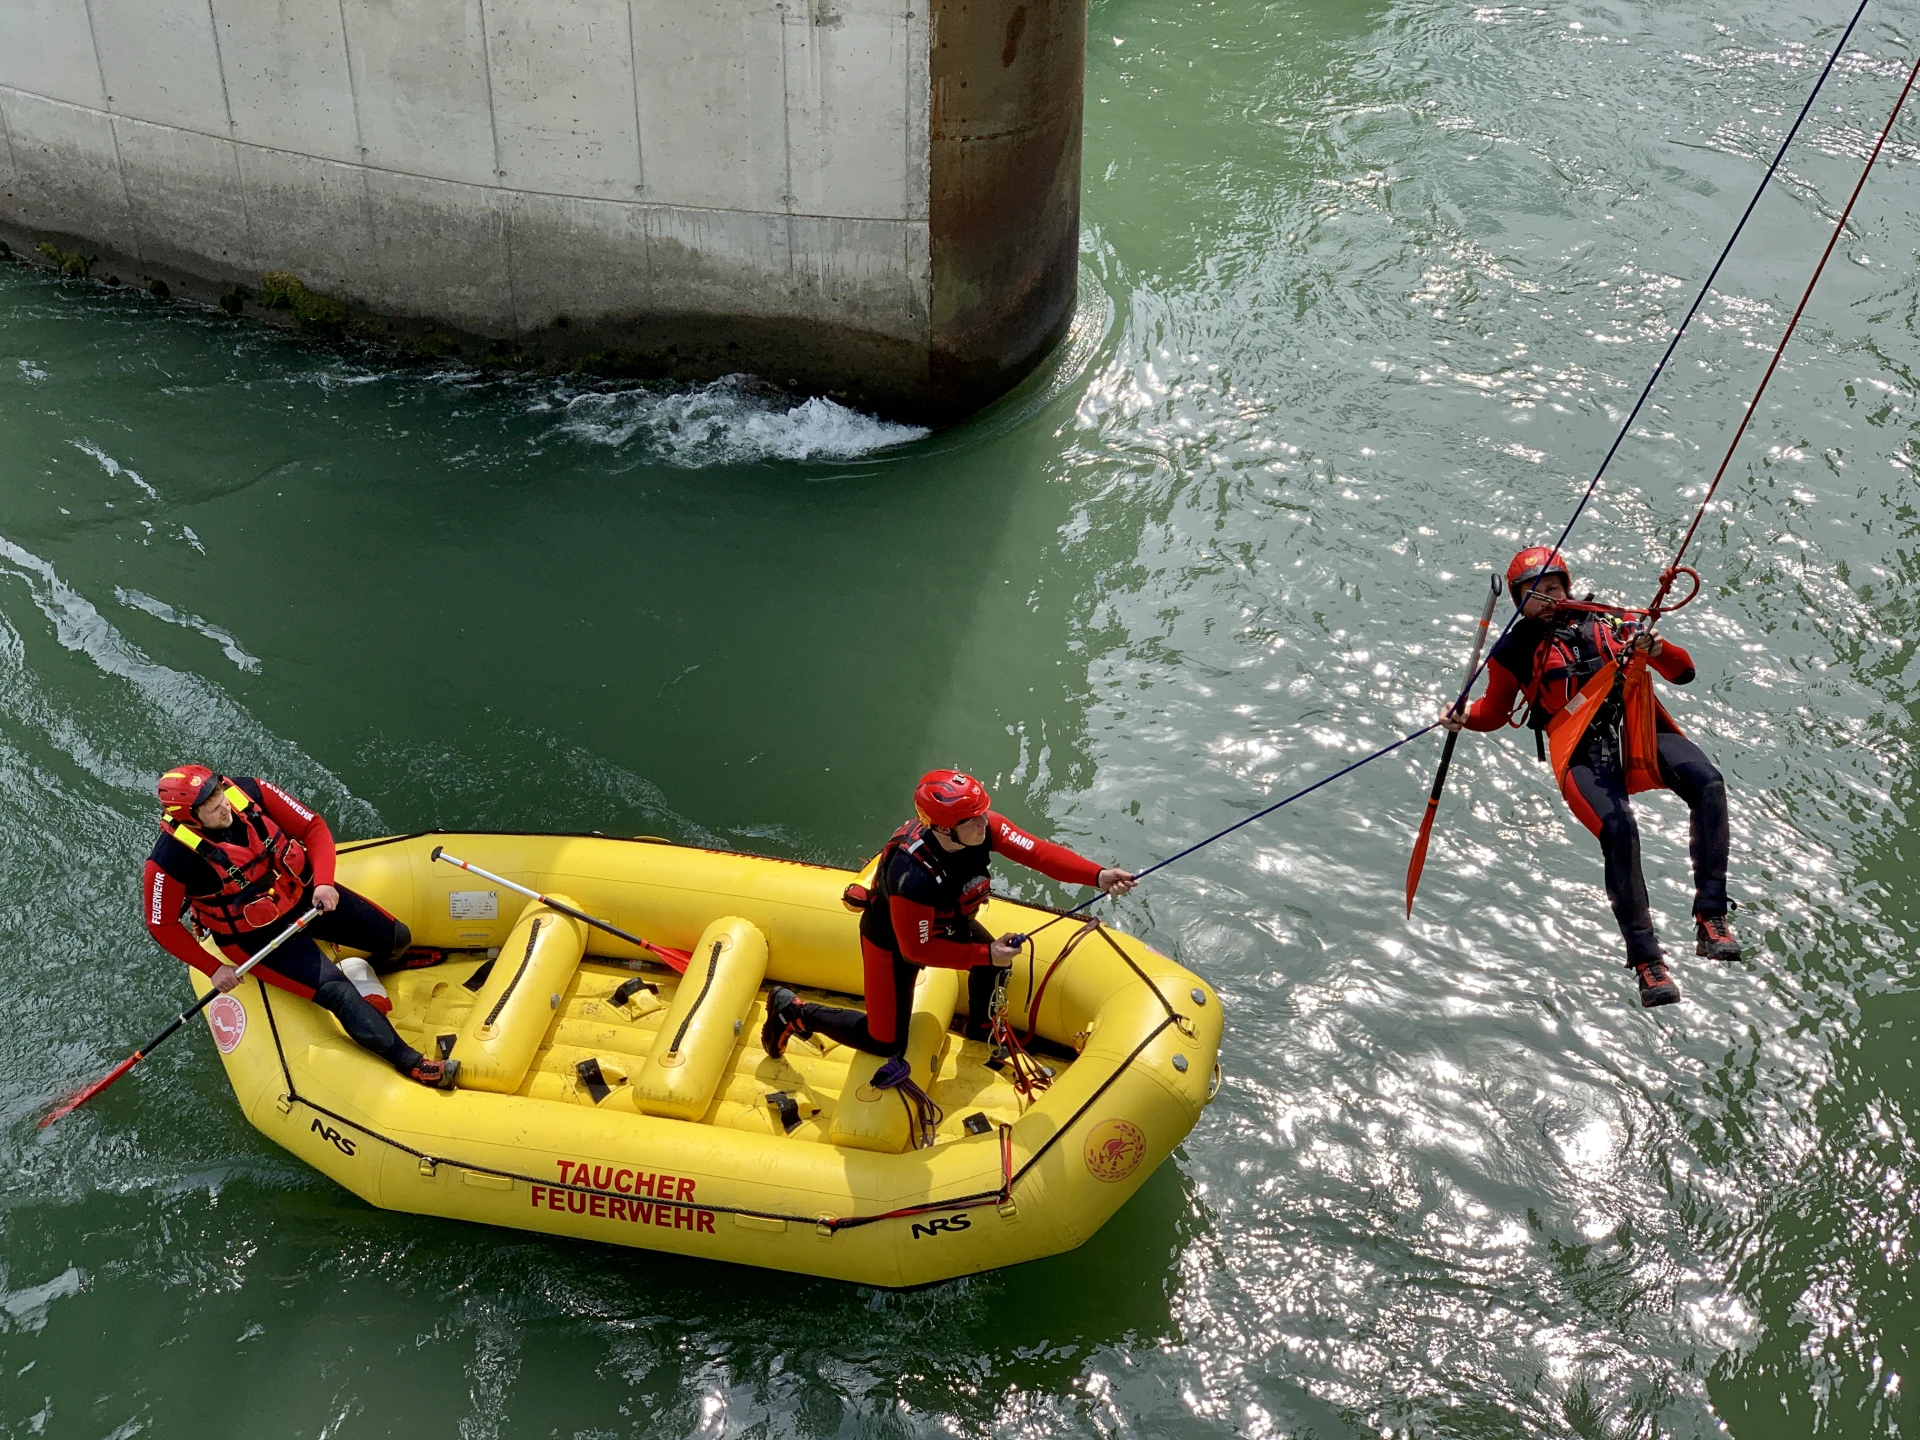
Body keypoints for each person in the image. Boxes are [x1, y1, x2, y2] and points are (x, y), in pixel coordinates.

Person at [1441, 547, 1740, 1009]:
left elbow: (1684, 673)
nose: (1548, 598)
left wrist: (1655, 647)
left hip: (1636, 728)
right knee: (1620, 831)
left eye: (1555, 588)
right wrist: (1463, 715)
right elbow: (1495, 712)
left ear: (1569, 586)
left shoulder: (1613, 621)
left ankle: (1711, 917)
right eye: (1535, 594)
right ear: (1521, 602)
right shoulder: (1514, 650)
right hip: (1581, 751)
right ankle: (1647, 962)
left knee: (1708, 783)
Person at [761, 770, 1137, 1058]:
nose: (983, 822)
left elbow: (1037, 852)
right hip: (892, 943)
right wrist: (984, 953)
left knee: (994, 964)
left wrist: (1098, 876)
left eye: (981, 812)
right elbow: (917, 950)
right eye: (971, 818)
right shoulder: (912, 877)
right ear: (943, 828)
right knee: (885, 1042)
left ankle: (981, 1031)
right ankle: (794, 1011)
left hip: (946, 923)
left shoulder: (980, 828)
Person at [142, 765, 459, 1087]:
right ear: (191, 817)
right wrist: (212, 968)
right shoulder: (169, 861)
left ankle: (386, 963)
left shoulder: (250, 792)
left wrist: (323, 883)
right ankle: (413, 1064)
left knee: (397, 937)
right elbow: (161, 924)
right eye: (213, 807)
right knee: (339, 992)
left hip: (305, 895)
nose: (225, 806)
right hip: (255, 937)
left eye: (221, 795)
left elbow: (313, 827)